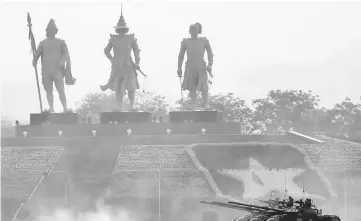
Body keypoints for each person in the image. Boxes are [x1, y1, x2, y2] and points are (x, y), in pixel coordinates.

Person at [100, 11, 141, 111]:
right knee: (118, 87)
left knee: (131, 87)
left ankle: (132, 106)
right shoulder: (113, 39)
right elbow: (106, 51)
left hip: (128, 63)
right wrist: (112, 59)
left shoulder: (131, 38)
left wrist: (137, 63)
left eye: (123, 29)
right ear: (117, 30)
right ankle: (120, 107)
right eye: (120, 30)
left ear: (126, 30)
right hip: (117, 64)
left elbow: (136, 51)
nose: (121, 31)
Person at [33, 19, 71, 113]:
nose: (51, 32)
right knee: (49, 91)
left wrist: (62, 61)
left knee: (61, 91)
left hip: (57, 71)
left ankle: (65, 108)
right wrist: (34, 61)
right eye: (49, 31)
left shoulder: (61, 42)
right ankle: (51, 108)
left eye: (53, 30)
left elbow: (66, 54)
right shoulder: (43, 43)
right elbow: (37, 55)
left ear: (55, 31)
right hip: (46, 71)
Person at [177, 22, 214, 110]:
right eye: (192, 30)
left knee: (204, 87)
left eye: (195, 30)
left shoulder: (204, 41)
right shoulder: (185, 42)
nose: (193, 32)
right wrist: (179, 68)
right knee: (192, 86)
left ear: (198, 31)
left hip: (201, 65)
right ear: (189, 31)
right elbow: (181, 56)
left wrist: (210, 65)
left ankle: (206, 105)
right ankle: (194, 105)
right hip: (190, 65)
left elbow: (210, 54)